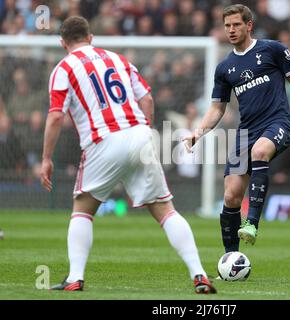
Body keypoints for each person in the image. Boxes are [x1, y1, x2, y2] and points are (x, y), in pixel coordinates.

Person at [40, 16, 216, 294]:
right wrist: (144, 130)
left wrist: (46, 159)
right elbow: (147, 97)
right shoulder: (117, 59)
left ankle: (75, 277)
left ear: (63, 43)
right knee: (165, 210)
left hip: (103, 140)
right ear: (91, 37)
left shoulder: (63, 68)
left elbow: (55, 117)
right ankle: (200, 274)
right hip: (140, 134)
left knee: (82, 210)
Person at [184, 4, 290, 251]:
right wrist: (198, 132)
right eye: (227, 26)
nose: (231, 30)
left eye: (236, 25)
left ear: (249, 25)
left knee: (260, 152)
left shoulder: (273, 49)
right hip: (246, 132)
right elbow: (217, 108)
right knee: (231, 195)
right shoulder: (224, 68)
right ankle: (231, 259)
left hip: (278, 122)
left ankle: (252, 222)